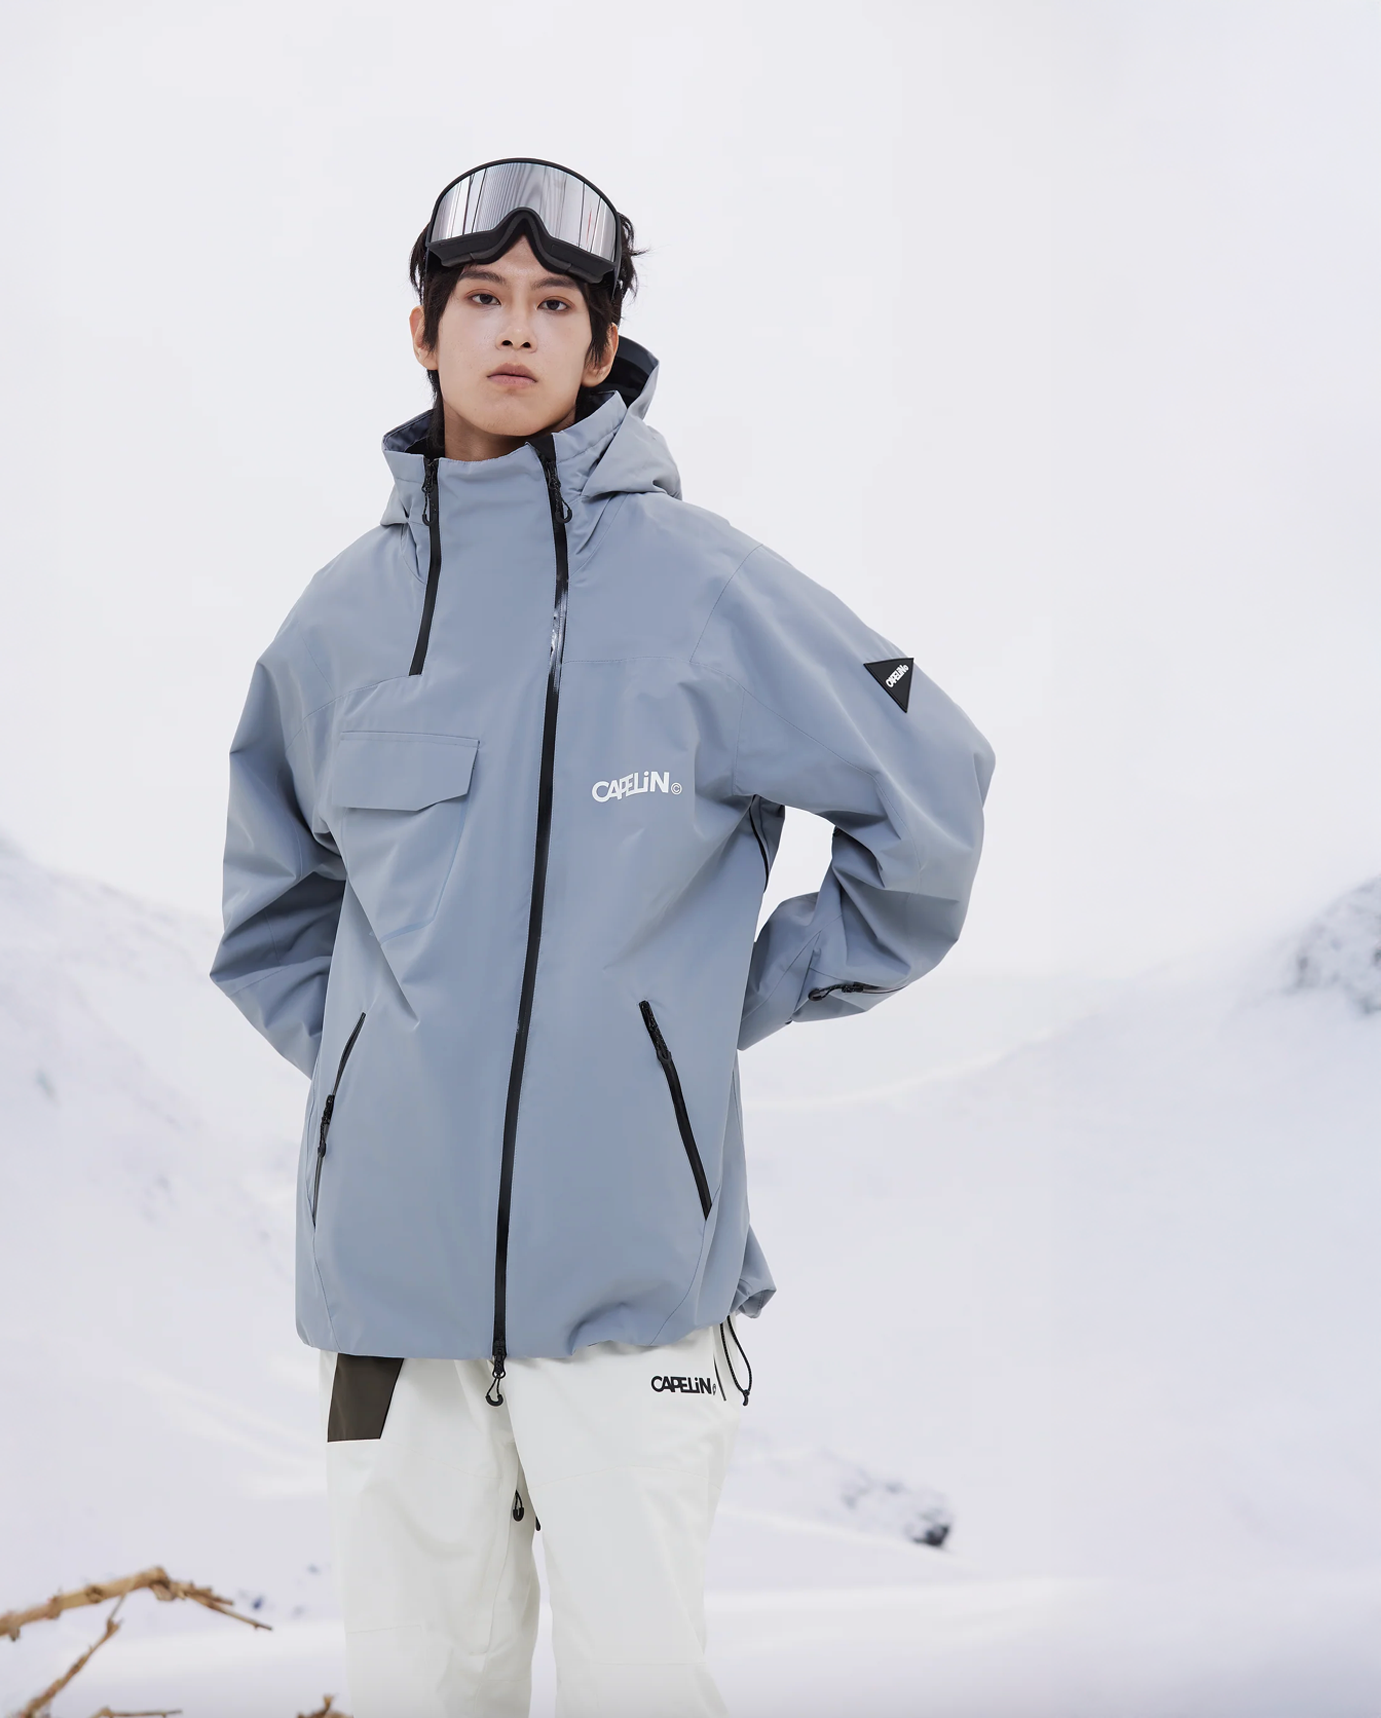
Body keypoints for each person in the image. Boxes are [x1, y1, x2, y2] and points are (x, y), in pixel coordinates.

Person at [212, 158, 994, 1718]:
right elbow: (272, 911)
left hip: (635, 1294)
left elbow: (929, 792)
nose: (514, 328)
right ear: (422, 332)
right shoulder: (338, 622)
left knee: (641, 1686)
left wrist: (719, 1005)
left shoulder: (701, 587)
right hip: (389, 1296)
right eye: (480, 298)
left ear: (601, 343)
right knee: (417, 1695)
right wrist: (377, 1067)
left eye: (553, 304)